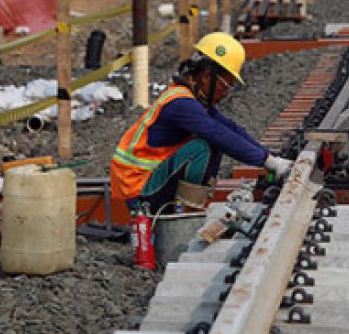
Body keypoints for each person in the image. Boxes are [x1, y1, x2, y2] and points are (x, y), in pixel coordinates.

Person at [111, 32, 293, 214]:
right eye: (226, 85)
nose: (226, 93)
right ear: (207, 77)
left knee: (214, 143)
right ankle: (185, 215)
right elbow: (218, 134)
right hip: (138, 192)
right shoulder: (181, 104)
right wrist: (269, 162)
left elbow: (229, 128)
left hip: (147, 182)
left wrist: (271, 158)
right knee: (202, 147)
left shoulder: (193, 100)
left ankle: (186, 210)